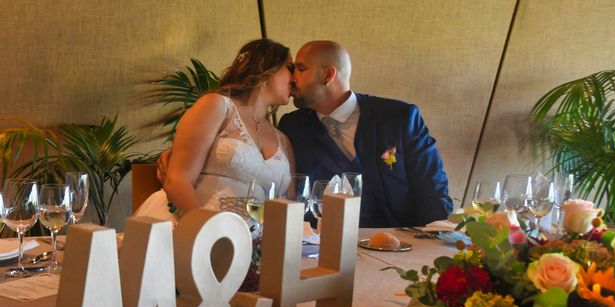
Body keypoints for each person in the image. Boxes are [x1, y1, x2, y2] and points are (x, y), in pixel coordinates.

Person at [278, 40, 453, 227]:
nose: (292, 79)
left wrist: (428, 245)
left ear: (328, 75)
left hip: (399, 243)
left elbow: (433, 193)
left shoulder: (399, 118)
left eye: (301, 69)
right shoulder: (293, 126)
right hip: (323, 246)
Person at [135, 39, 295, 224]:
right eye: (289, 68)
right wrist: (207, 232)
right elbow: (178, 180)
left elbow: (289, 203)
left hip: (251, 241)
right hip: (190, 226)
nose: (295, 79)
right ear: (267, 67)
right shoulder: (217, 106)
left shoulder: (283, 140)